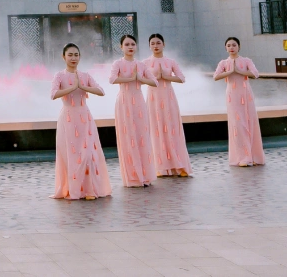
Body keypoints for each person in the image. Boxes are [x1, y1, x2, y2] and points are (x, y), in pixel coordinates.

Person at [50, 43, 112, 200]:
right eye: (70, 55)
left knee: (88, 153)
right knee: (71, 154)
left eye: (76, 55)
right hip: (68, 118)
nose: (73, 58)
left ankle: (89, 189)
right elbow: (53, 94)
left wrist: (83, 87)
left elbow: (101, 91)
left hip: (85, 118)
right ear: (63, 57)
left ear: (80, 57)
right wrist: (73, 88)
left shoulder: (85, 76)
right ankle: (73, 189)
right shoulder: (59, 76)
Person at [108, 35, 158, 188]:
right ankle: (133, 177)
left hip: (139, 103)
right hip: (124, 102)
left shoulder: (141, 65)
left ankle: (145, 175)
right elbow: (112, 79)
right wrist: (132, 78)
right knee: (127, 136)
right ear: (121, 47)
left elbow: (154, 82)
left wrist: (140, 79)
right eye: (127, 44)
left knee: (141, 136)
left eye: (133, 44)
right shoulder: (118, 63)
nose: (130, 47)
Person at [144, 34, 192, 177]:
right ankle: (160, 166)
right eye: (152, 43)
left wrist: (165, 77)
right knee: (156, 129)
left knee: (171, 129)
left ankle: (179, 165)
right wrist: (154, 79)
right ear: (149, 46)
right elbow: (140, 80)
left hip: (168, 97)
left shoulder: (170, 61)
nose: (155, 46)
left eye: (158, 43)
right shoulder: (145, 62)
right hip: (153, 98)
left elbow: (181, 78)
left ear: (163, 44)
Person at [213, 37, 264, 167]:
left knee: (249, 122)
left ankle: (253, 156)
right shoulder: (223, 63)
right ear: (225, 48)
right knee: (237, 124)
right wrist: (230, 72)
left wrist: (240, 71)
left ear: (239, 47)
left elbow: (255, 74)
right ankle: (242, 157)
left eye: (234, 45)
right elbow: (216, 76)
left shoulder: (246, 61)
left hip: (246, 95)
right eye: (229, 45)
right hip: (232, 96)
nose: (231, 47)